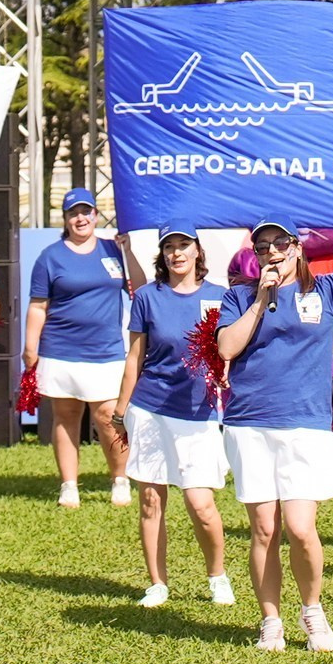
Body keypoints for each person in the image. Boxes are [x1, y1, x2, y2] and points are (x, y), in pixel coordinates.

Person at [215, 213, 333, 652]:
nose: (272, 253)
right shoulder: (239, 296)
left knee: (300, 527)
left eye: (281, 244)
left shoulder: (330, 288)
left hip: (306, 423)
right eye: (263, 248)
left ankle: (312, 610)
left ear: (297, 247)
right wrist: (261, 301)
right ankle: (270, 620)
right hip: (251, 422)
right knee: (264, 529)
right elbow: (226, 347)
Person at [115, 224, 234, 608]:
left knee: (200, 503)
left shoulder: (221, 297)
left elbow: (231, 352)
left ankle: (217, 575)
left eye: (184, 245)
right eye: (169, 247)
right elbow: (135, 357)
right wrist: (121, 409)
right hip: (149, 408)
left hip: (198, 414)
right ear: (162, 254)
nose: (176, 253)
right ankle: (157, 583)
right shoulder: (148, 297)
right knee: (151, 500)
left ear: (198, 251)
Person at [24, 188, 136, 508]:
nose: (80, 218)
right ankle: (69, 485)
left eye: (86, 212)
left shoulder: (113, 250)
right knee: (66, 415)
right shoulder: (50, 257)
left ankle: (120, 478)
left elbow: (137, 288)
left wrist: (127, 253)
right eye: (74, 213)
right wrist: (30, 347)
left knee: (108, 417)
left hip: (106, 351)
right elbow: (38, 306)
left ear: (95, 216)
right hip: (60, 350)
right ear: (65, 219)